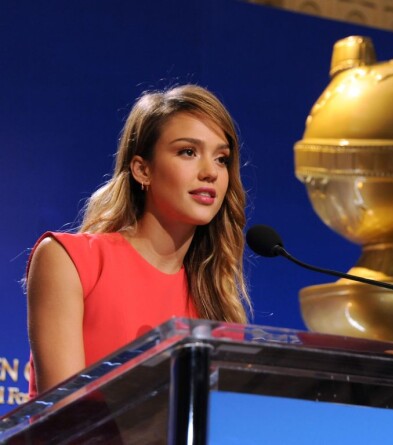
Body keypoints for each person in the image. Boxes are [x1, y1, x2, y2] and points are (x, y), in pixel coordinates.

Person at [25, 84, 251, 398]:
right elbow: (66, 417)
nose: (210, 172)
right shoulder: (70, 260)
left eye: (222, 159)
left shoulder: (215, 299)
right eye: (188, 151)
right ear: (142, 170)